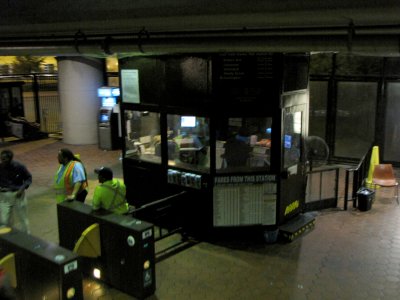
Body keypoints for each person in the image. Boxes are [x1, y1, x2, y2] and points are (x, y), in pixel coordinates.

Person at [0, 149, 32, 234]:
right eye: (1, 159)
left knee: (23, 218)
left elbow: (28, 178)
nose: (2, 161)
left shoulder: (19, 167)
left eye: (4, 159)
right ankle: (8, 239)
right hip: (3, 196)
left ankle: (26, 237)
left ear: (10, 159)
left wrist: (22, 189)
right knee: (4, 220)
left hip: (17, 195)